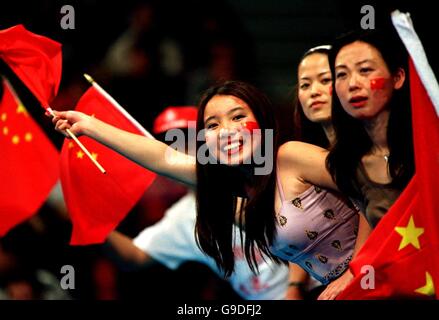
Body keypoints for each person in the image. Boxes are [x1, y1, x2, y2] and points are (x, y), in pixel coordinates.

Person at [51, 80, 370, 300]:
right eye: (213, 125)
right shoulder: (238, 199)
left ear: (263, 121)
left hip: (382, 273)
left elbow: (374, 192)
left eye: (238, 117)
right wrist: (89, 126)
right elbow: (163, 157)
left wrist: (357, 269)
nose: (227, 131)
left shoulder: (291, 156)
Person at [106, 106, 292, 300]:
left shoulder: (257, 178)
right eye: (169, 146)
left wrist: (296, 287)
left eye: (189, 141)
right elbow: (134, 257)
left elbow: (305, 233)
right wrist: (87, 223)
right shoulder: (182, 217)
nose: (180, 151)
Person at [326, 27, 414, 228]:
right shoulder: (345, 166)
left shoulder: (430, 145)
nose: (353, 84)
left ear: (398, 77)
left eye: (365, 70)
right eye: (341, 74)